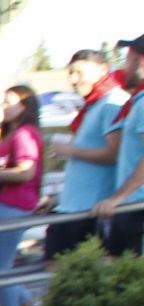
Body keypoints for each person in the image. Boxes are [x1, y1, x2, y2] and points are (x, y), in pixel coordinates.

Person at [48, 44, 138, 256]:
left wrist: (70, 150)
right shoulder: (93, 104)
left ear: (102, 69)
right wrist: (60, 197)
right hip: (71, 207)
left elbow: (113, 154)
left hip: (92, 210)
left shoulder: (112, 102)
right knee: (57, 271)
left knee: (80, 275)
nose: (73, 80)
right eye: (70, 73)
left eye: (79, 72)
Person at [0, 83, 45, 306]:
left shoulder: (25, 134)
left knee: (0, 267)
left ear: (25, 106)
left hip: (12, 204)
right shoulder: (14, 134)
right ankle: (25, 302)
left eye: (9, 102)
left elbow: (26, 171)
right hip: (3, 203)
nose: (4, 107)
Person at [93, 36, 144, 256]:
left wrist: (118, 198)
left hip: (135, 207)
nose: (125, 66)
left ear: (140, 61)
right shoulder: (138, 101)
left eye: (128, 59)